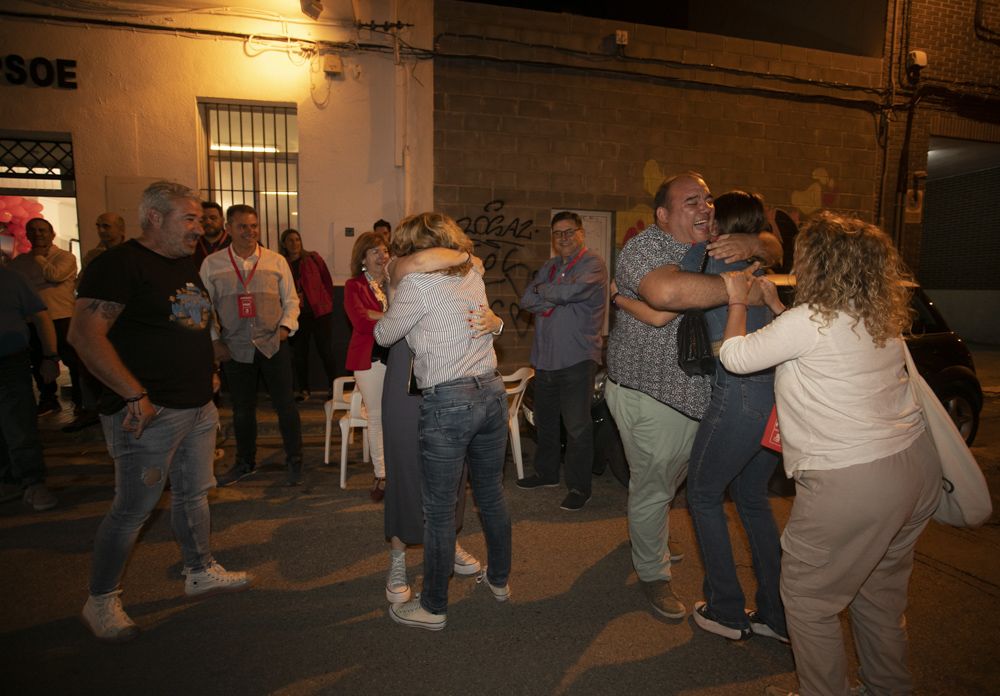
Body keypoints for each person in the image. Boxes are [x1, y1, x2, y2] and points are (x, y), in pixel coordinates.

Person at [719, 212, 939, 696]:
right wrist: (778, 306)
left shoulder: (809, 321)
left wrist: (738, 300)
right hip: (915, 468)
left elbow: (735, 357)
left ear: (819, 264)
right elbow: (820, 346)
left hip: (855, 483)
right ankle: (887, 687)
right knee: (878, 596)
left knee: (807, 598)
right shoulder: (875, 317)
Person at [69, 181, 250, 643]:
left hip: (196, 405)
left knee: (194, 494)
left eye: (199, 219)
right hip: (149, 412)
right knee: (132, 509)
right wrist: (133, 394)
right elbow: (86, 336)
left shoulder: (183, 264)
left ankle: (199, 570)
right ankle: (101, 599)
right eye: (188, 219)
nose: (199, 227)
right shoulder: (118, 265)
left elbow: (191, 320)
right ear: (153, 216)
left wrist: (209, 369)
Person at [606, 172, 781, 621]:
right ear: (663, 215)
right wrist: (740, 286)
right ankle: (653, 574)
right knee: (653, 483)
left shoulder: (714, 242)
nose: (705, 207)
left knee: (672, 481)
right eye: (691, 201)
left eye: (706, 199)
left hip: (697, 393)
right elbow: (667, 296)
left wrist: (751, 246)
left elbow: (774, 245)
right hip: (651, 392)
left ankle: (651, 536)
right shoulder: (643, 249)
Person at [375, 212, 510, 631]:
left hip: (449, 400)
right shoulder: (473, 274)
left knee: (437, 509)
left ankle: (433, 607)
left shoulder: (417, 283)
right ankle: (500, 581)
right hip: (490, 391)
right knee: (490, 495)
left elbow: (384, 336)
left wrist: (392, 293)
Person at [684, 191, 785, 643]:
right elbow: (776, 244)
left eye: (707, 214)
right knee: (751, 496)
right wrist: (757, 243)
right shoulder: (761, 265)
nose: (701, 219)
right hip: (777, 394)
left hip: (740, 392)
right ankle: (778, 615)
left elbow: (662, 287)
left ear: (720, 225)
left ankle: (726, 609)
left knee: (703, 494)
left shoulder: (709, 257)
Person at [201, 204, 303, 487]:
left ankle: (295, 459)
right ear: (229, 229)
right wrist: (214, 341)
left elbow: (292, 300)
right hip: (235, 348)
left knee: (286, 406)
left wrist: (285, 328)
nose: (250, 232)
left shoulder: (276, 261)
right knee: (243, 410)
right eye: (243, 226)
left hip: (273, 344)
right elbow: (203, 307)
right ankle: (245, 462)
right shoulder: (213, 264)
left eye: (254, 226)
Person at [517, 211, 608, 511]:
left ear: (581, 233)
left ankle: (580, 488)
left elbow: (573, 292)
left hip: (577, 358)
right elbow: (526, 299)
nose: (564, 238)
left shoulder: (592, 264)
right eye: (558, 233)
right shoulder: (549, 266)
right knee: (545, 423)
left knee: (577, 427)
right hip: (544, 358)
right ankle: (546, 474)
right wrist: (551, 293)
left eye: (570, 232)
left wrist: (547, 292)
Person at [0, 263, 59, 512]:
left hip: (9, 362)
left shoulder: (12, 278)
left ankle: (32, 482)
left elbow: (41, 316)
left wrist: (51, 356)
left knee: (19, 422)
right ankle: (8, 479)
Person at [8, 217, 81, 416]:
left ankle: (81, 401)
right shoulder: (19, 263)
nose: (38, 234)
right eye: (33, 230)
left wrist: (40, 258)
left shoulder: (65, 257)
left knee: (73, 360)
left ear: (52, 234)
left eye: (42, 230)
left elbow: (54, 275)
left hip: (61, 316)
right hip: (33, 320)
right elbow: (19, 288)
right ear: (28, 235)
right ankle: (48, 398)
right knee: (39, 359)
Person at [344, 232, 391, 502]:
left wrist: (377, 313)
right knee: (376, 416)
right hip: (368, 359)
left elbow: (409, 317)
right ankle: (382, 473)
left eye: (384, 250)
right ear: (363, 257)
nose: (381, 255)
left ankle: (398, 469)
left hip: (395, 358)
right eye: (374, 251)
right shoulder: (353, 286)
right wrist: (389, 316)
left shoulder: (396, 283)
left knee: (396, 415)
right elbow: (361, 323)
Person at [279, 228, 337, 401]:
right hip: (297, 315)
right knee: (299, 354)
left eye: (297, 239)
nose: (294, 243)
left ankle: (333, 388)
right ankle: (304, 390)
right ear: (284, 244)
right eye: (290, 240)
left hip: (319, 313)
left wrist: (326, 301)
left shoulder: (313, 258)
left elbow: (327, 281)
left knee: (326, 351)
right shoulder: (281, 263)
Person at [193, 201, 230, 266]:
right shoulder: (192, 242)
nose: (208, 222)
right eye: (203, 218)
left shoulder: (234, 242)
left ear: (222, 220)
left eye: (213, 218)